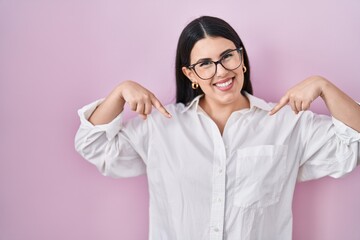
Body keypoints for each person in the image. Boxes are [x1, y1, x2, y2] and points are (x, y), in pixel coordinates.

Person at [75, 16, 360, 240]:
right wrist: (120, 92)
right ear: (190, 75)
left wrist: (324, 86)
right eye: (205, 64)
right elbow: (93, 145)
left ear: (242, 58)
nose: (221, 71)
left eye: (227, 56)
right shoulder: (161, 127)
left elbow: (353, 144)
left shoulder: (286, 123)